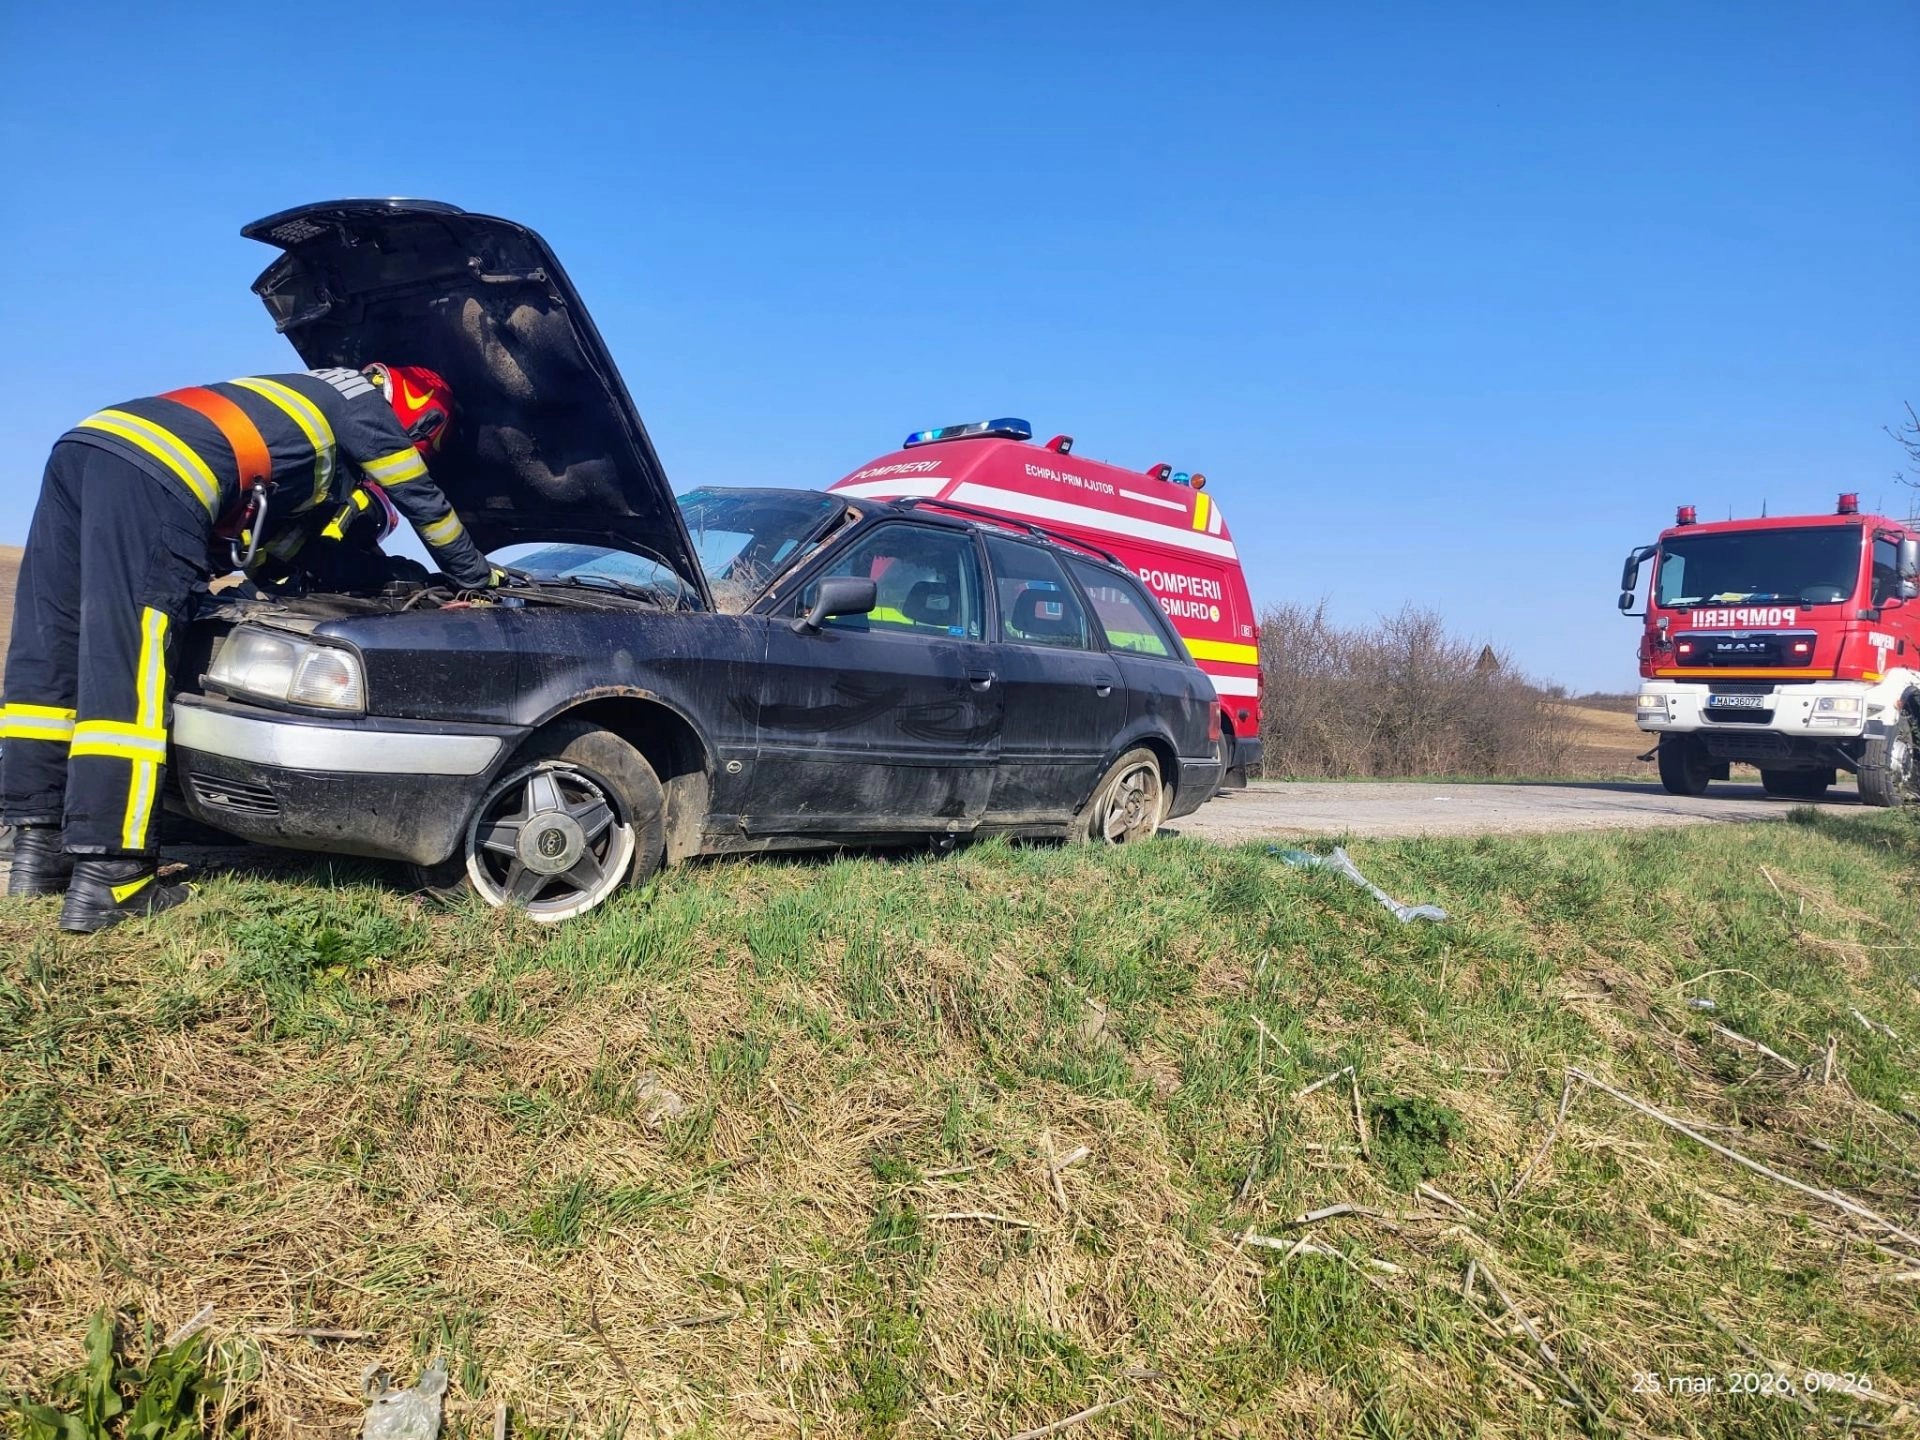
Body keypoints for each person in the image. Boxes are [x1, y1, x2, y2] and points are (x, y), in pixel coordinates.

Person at [0, 363, 495, 932]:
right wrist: (478, 579)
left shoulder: (294, 421)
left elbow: (274, 557)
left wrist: (381, 573)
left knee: (52, 648)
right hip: (158, 475)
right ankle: (112, 877)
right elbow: (425, 503)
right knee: (127, 668)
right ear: (420, 415)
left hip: (89, 445)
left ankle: (38, 851)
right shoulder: (361, 401)